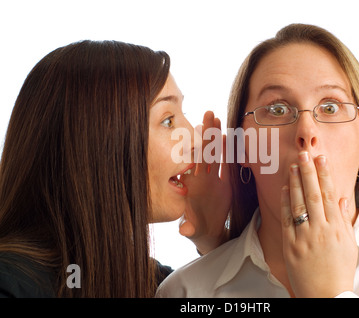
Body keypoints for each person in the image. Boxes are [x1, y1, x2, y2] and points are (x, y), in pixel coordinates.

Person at [155, 23, 359, 297]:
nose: (306, 132)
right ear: (242, 147)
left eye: (331, 107)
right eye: (278, 109)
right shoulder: (186, 291)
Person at [0, 40, 230, 297]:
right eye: (168, 120)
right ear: (97, 141)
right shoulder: (11, 285)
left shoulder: (152, 283)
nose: (197, 140)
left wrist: (213, 242)